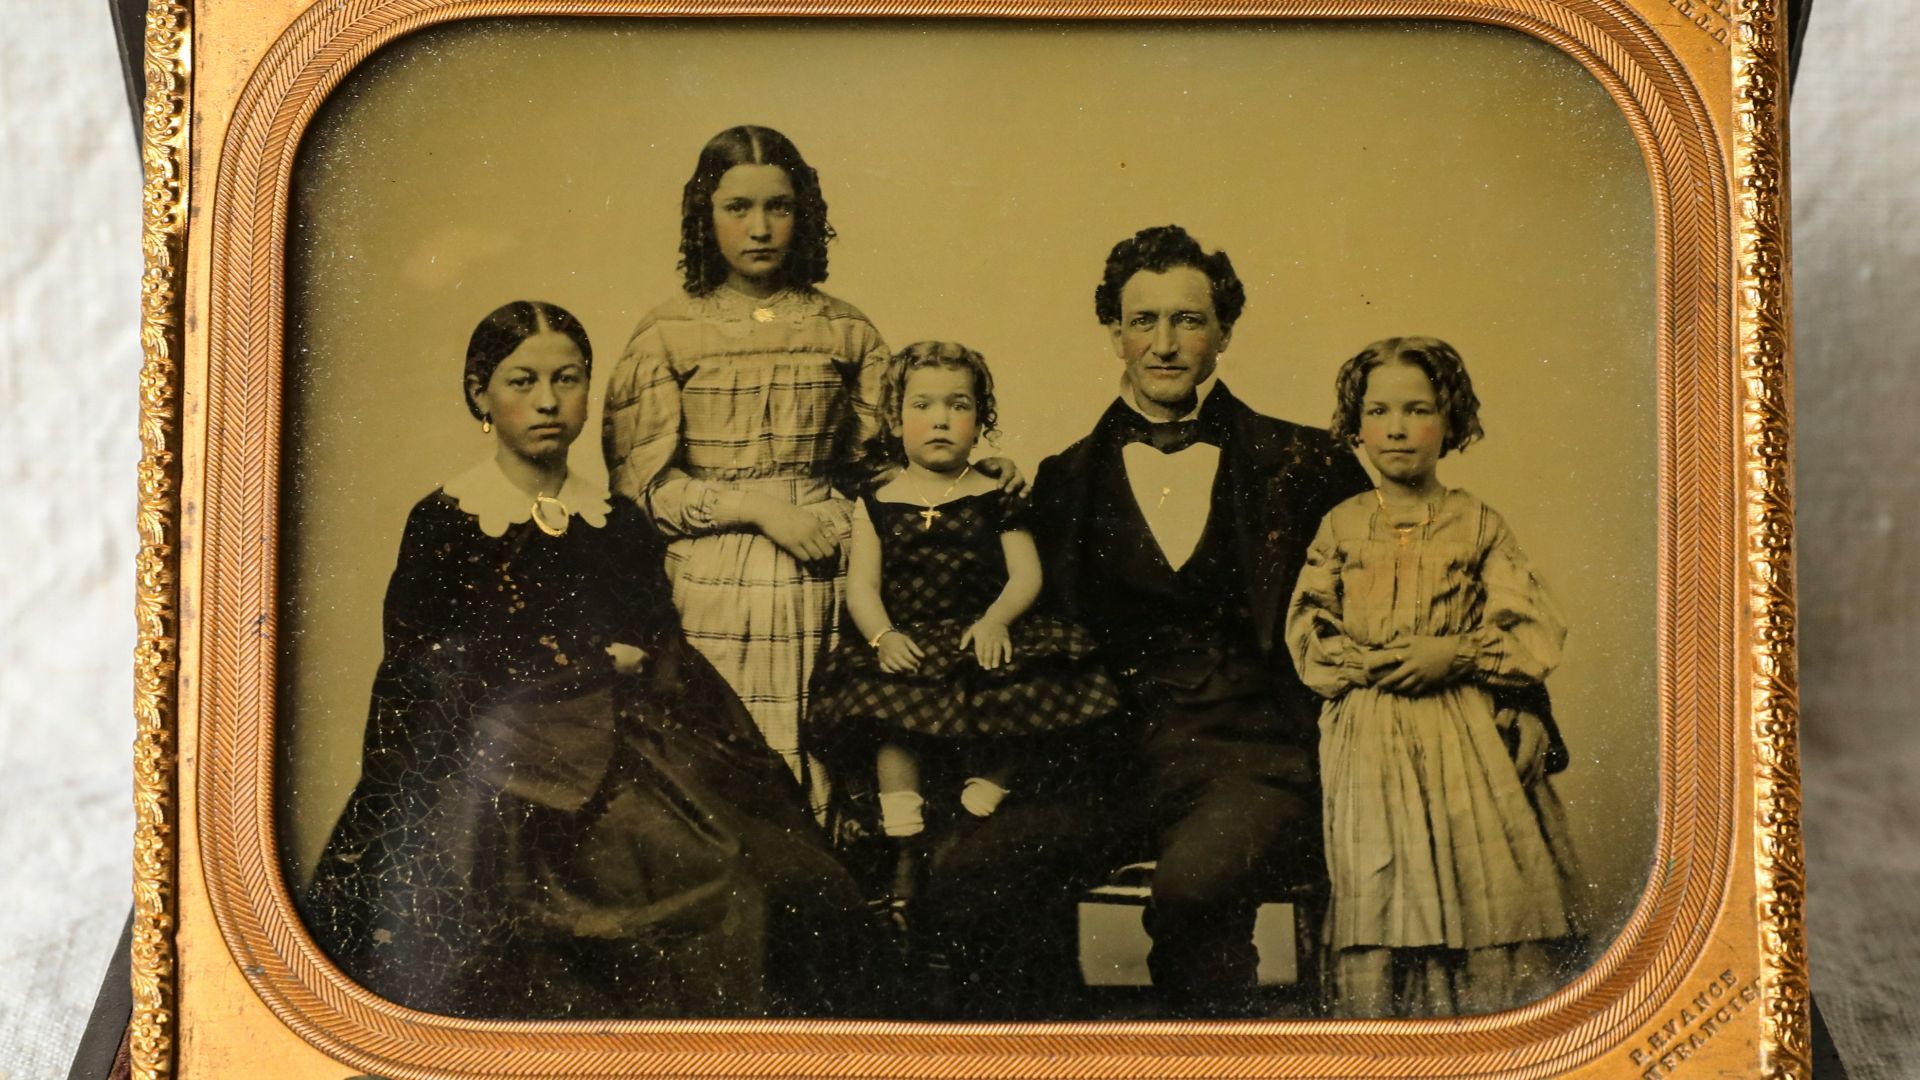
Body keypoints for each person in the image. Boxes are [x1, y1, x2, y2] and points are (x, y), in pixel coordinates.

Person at [299, 301, 884, 1020]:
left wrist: (640, 665)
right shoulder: (449, 518)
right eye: (522, 381)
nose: (548, 400)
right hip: (505, 765)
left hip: (635, 741)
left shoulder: (616, 519)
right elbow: (421, 668)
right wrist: (574, 671)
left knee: (782, 876)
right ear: (479, 393)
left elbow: (666, 646)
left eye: (568, 379)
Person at [930, 225, 1373, 1018]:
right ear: (1114, 334)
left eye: (1188, 321)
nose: (1164, 345)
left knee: (1193, 891)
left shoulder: (1304, 462)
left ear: (1225, 332)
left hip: (1254, 755)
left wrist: (1518, 707)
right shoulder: (1063, 478)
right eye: (1144, 321)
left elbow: (1406, 579)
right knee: (975, 870)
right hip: (1111, 754)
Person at [602, 126, 1020, 817]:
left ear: (806, 214)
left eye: (779, 207)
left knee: (842, 770)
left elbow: (897, 465)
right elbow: (641, 490)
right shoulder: (667, 333)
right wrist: (759, 510)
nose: (760, 229)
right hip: (710, 588)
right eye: (738, 208)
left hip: (829, 573)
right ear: (706, 216)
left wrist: (979, 470)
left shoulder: (846, 330)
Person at [1285, 336, 1579, 1016]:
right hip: (1368, 731)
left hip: (1462, 731)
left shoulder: (1477, 522)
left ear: (1451, 422)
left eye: (1417, 410)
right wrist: (1362, 663)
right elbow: (1307, 624)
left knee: (1482, 884)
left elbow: (1531, 627)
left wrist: (1459, 654)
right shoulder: (1340, 524)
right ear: (1354, 425)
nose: (1395, 428)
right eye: (1378, 411)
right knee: (1385, 888)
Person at [808, 342, 1123, 940]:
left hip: (981, 632)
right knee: (890, 714)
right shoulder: (876, 501)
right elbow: (863, 588)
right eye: (922, 406)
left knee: (1018, 694)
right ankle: (906, 842)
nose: (942, 419)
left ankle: (978, 809)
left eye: (959, 405)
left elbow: (1027, 574)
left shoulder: (993, 495)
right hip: (916, 643)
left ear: (981, 421)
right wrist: (883, 636)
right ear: (896, 421)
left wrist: (997, 620)